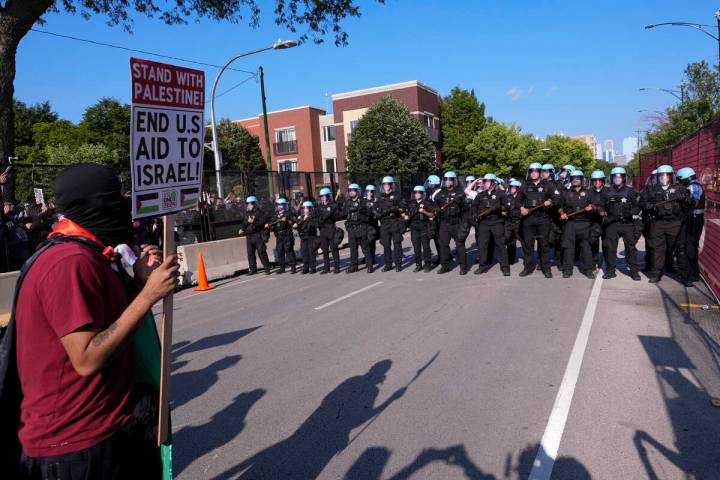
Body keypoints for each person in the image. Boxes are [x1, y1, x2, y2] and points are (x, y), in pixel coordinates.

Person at [11, 163, 178, 479]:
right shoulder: (70, 262)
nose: (123, 208)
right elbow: (87, 358)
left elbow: (107, 323)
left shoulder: (91, 255)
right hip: (75, 448)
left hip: (105, 431)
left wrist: (139, 283)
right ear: (93, 206)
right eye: (114, 200)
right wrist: (148, 297)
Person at [641, 165, 690, 283]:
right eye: (661, 175)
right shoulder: (651, 189)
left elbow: (690, 204)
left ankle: (685, 277)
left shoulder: (680, 188)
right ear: (658, 177)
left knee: (680, 250)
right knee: (657, 250)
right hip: (657, 223)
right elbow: (641, 203)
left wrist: (684, 198)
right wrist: (650, 206)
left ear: (671, 176)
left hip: (674, 223)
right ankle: (656, 274)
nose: (664, 177)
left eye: (666, 175)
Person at [601, 167, 641, 281]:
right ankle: (610, 271)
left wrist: (632, 212)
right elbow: (601, 206)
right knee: (610, 248)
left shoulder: (630, 191)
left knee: (631, 248)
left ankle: (634, 271)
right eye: (615, 177)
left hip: (627, 224)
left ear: (624, 178)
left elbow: (637, 206)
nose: (617, 179)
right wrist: (604, 216)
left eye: (619, 177)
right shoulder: (606, 191)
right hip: (612, 224)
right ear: (611, 178)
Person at [516, 162, 556, 278]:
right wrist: (521, 208)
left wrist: (550, 202)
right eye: (531, 171)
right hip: (528, 219)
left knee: (544, 245)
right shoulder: (524, 185)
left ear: (539, 172)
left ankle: (546, 268)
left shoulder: (548, 185)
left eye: (536, 171)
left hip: (543, 219)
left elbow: (557, 198)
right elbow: (517, 201)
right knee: (528, 245)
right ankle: (528, 268)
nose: (533, 173)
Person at [559, 170, 596, 279]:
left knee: (586, 247)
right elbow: (560, 207)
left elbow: (595, 205)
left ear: (581, 179)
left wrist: (592, 207)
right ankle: (567, 269)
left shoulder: (589, 192)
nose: (575, 180)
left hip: (585, 223)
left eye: (578, 178)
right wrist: (562, 214)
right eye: (573, 178)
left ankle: (588, 270)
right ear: (571, 180)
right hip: (570, 223)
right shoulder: (566, 192)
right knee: (568, 247)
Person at [473, 174, 510, 276]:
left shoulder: (501, 194)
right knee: (482, 246)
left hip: (497, 223)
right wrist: (475, 214)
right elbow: (474, 207)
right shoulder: (480, 195)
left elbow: (507, 206)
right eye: (484, 181)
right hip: (484, 223)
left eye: (487, 181)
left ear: (493, 182)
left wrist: (500, 207)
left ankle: (505, 268)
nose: (485, 183)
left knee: (501, 246)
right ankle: (482, 266)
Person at [434, 171, 468, 274]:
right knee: (443, 244)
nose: (448, 181)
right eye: (446, 179)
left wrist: (461, 201)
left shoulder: (460, 192)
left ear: (454, 180)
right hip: (444, 223)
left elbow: (466, 209)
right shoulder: (441, 192)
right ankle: (445, 266)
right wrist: (437, 209)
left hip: (457, 222)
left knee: (460, 245)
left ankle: (463, 267)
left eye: (450, 179)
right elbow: (435, 204)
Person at [676, 167, 705, 286]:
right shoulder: (692, 186)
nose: (679, 182)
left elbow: (694, 202)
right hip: (692, 218)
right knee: (690, 246)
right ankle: (693, 272)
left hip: (694, 219)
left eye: (680, 180)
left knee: (690, 246)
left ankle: (694, 273)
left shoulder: (693, 187)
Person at [339, 183, 373, 273]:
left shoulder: (363, 201)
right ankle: (354, 266)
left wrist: (361, 208)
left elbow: (369, 213)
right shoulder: (347, 202)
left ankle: (370, 265)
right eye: (350, 190)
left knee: (365, 248)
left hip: (361, 227)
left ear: (357, 191)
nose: (351, 192)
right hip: (351, 228)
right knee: (353, 248)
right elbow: (342, 213)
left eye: (353, 190)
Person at [374, 176, 405, 272]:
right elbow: (375, 208)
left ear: (391, 185)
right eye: (385, 184)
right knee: (386, 244)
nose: (386, 186)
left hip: (395, 221)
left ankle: (398, 264)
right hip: (384, 223)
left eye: (388, 184)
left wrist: (395, 209)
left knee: (397, 243)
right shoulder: (380, 196)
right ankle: (388, 264)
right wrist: (376, 213)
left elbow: (403, 207)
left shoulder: (397, 195)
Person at [403, 186, 436, 272]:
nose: (417, 194)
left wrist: (424, 211)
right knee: (416, 247)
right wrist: (406, 217)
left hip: (424, 226)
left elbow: (432, 215)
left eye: (419, 192)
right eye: (416, 192)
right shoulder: (411, 203)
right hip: (414, 227)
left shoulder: (427, 203)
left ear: (423, 193)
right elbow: (406, 214)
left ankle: (428, 264)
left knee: (425, 246)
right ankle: (418, 264)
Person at [238, 196, 271, 275]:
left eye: (251, 203)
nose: (249, 205)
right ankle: (253, 269)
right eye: (248, 203)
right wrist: (242, 229)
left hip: (257, 234)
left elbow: (263, 223)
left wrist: (254, 222)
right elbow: (245, 223)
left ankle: (267, 268)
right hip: (249, 235)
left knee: (261, 251)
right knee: (250, 253)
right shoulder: (247, 213)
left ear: (255, 203)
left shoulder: (260, 212)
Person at [316, 187, 341, 274]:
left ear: (328, 196)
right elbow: (317, 218)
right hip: (323, 229)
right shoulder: (319, 207)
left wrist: (331, 215)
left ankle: (336, 267)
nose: (323, 197)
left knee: (334, 248)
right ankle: (326, 268)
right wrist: (321, 221)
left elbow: (338, 216)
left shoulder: (333, 205)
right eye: (321, 196)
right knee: (324, 250)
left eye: (324, 196)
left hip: (331, 228)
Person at [270, 198, 297, 274]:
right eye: (279, 205)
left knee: (289, 250)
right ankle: (282, 268)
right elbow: (272, 224)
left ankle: (293, 267)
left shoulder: (289, 213)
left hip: (287, 234)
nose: (280, 207)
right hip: (279, 235)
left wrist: (287, 220)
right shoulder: (276, 215)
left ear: (285, 205)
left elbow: (294, 222)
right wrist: (270, 226)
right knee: (280, 251)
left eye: (282, 205)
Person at [588, 170, 607, 271]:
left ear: (603, 181)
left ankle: (608, 262)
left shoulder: (608, 191)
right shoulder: (589, 192)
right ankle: (594, 262)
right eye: (595, 181)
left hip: (606, 221)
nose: (597, 182)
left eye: (599, 180)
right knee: (593, 241)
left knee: (607, 243)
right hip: (594, 221)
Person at [294, 201, 319, 274]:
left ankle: (313, 268)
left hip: (311, 236)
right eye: (304, 209)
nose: (305, 210)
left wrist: (308, 218)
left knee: (311, 252)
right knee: (304, 252)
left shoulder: (313, 217)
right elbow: (296, 226)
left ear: (310, 209)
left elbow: (314, 225)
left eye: (307, 208)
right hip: (303, 237)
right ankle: (306, 267)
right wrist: (299, 221)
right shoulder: (300, 217)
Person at [503, 179, 523, 265]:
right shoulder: (507, 197)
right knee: (509, 241)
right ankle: (510, 259)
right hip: (509, 222)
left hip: (519, 222)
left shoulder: (522, 198)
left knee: (524, 241)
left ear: (518, 188)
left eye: (514, 187)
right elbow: (503, 207)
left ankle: (527, 259)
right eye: (511, 187)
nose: (512, 189)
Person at [426, 175, 442, 265]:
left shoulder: (438, 194)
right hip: (435, 220)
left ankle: (443, 257)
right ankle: (442, 256)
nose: (427, 184)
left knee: (439, 240)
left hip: (439, 220)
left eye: (429, 182)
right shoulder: (433, 193)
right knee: (437, 239)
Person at [363, 185, 378, 268]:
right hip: (365, 224)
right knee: (365, 243)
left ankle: (372, 258)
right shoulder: (363, 200)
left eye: (371, 191)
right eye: (368, 191)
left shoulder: (375, 201)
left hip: (373, 224)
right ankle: (367, 257)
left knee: (372, 242)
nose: (370, 193)